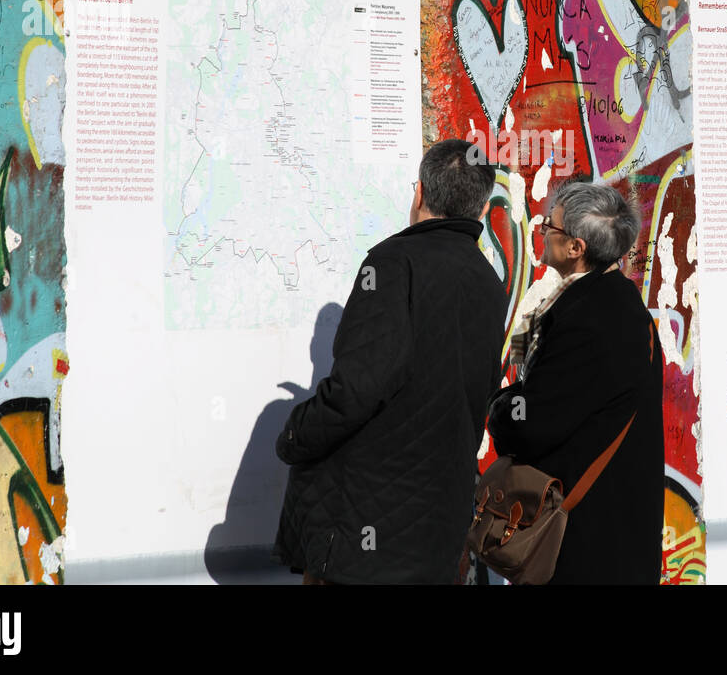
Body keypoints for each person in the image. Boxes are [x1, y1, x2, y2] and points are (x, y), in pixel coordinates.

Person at [274, 139, 507, 584]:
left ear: (418, 193)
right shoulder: (488, 282)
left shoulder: (391, 264)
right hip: (440, 530)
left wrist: (292, 436)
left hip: (366, 537)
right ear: (481, 211)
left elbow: (356, 389)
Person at [486, 181, 663, 584]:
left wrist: (499, 408)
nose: (542, 228)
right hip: (617, 534)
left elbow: (532, 424)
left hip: (585, 545)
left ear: (576, 248)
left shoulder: (587, 320)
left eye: (551, 224)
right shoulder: (621, 305)